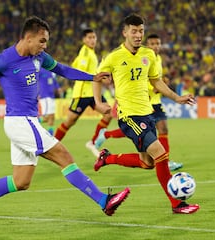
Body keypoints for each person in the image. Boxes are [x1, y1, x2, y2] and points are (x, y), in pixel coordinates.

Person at [0, 16, 130, 229]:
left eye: (46, 41)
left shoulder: (39, 57)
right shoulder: (4, 60)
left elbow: (63, 70)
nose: (44, 46)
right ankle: (104, 201)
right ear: (28, 38)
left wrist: (92, 77)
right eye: (42, 41)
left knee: (21, 181)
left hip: (27, 122)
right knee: (64, 155)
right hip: (20, 122)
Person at [92, 13, 199, 214]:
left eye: (141, 31)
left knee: (147, 162)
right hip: (129, 116)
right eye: (134, 31)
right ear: (125, 33)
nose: (138, 35)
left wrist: (176, 98)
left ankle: (107, 158)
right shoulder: (114, 57)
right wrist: (98, 102)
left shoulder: (148, 55)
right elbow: (97, 78)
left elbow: (156, 81)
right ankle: (177, 204)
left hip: (147, 113)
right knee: (160, 153)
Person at [94, 33, 183, 171]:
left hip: (154, 102)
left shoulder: (154, 58)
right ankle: (107, 135)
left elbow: (154, 79)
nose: (156, 46)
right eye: (152, 44)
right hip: (140, 103)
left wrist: (167, 89)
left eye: (158, 44)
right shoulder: (132, 57)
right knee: (141, 133)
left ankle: (164, 160)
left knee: (160, 134)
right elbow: (137, 82)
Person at [54, 29, 112, 157]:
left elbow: (75, 65)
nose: (92, 40)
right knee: (69, 122)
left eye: (94, 37)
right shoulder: (85, 53)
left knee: (108, 113)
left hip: (93, 92)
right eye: (89, 37)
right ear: (84, 40)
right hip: (82, 93)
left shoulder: (90, 53)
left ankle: (92, 142)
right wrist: (98, 77)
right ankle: (52, 144)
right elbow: (79, 72)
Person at [38, 68, 62, 135]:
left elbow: (54, 81)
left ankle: (50, 134)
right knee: (46, 117)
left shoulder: (51, 71)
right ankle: (32, 122)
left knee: (52, 116)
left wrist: (58, 88)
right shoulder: (40, 70)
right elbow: (35, 81)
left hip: (51, 96)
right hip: (44, 96)